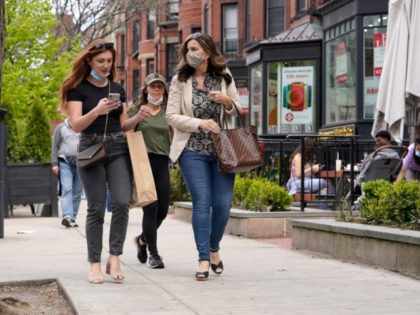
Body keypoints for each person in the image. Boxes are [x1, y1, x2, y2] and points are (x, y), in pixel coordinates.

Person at [59, 39, 146, 284]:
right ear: (89, 61)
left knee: (120, 202)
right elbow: (76, 125)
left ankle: (115, 257)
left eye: (109, 61)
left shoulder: (117, 88)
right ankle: (94, 262)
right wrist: (96, 110)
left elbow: (123, 126)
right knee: (96, 208)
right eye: (101, 61)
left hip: (118, 147)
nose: (106, 65)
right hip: (90, 149)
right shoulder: (78, 89)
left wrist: (139, 116)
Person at [166, 33, 241, 281]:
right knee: (202, 203)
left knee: (222, 204)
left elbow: (239, 109)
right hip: (192, 150)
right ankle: (203, 258)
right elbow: (171, 116)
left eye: (195, 48)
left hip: (223, 151)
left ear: (207, 52)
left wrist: (227, 101)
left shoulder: (223, 76)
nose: (190, 53)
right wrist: (199, 123)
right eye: (188, 49)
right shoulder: (180, 80)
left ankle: (214, 247)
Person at [125, 73, 171, 269]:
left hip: (162, 161)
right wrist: (137, 117)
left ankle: (142, 240)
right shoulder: (136, 109)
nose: (156, 90)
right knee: (150, 210)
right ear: (145, 89)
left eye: (160, 87)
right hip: (143, 161)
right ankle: (154, 254)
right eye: (153, 87)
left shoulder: (168, 111)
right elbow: (125, 129)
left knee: (162, 211)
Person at [347, 130, 400, 201]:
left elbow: (363, 169)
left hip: (368, 182)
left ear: (386, 139)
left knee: (354, 184)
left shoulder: (375, 155)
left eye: (379, 140)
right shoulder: (395, 156)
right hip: (384, 181)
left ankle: (347, 201)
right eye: (376, 141)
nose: (377, 143)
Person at [286, 137, 335, 209]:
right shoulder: (298, 156)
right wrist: (312, 169)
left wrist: (316, 169)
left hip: (308, 182)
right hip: (299, 183)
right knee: (324, 182)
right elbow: (298, 174)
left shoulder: (306, 158)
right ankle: (336, 200)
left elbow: (308, 171)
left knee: (323, 191)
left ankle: (322, 213)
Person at [51, 118, 83, 228]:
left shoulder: (85, 126)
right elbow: (55, 145)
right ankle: (67, 216)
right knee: (67, 189)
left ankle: (72, 217)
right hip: (65, 162)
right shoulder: (61, 128)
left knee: (78, 192)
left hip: (82, 163)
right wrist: (54, 163)